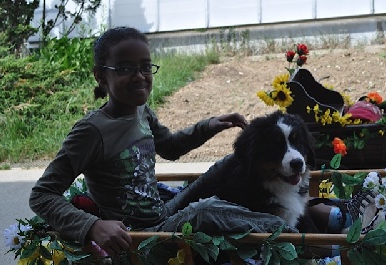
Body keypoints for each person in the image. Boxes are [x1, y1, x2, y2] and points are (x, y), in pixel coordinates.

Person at [29, 26, 297, 262]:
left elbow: (170, 146)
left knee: (229, 163)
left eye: (146, 66)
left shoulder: (141, 111)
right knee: (204, 210)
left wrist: (208, 126)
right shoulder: (91, 132)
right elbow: (42, 194)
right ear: (100, 75)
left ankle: (287, 212)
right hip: (140, 238)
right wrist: (92, 226)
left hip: (164, 214)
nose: (139, 76)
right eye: (125, 68)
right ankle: (298, 239)